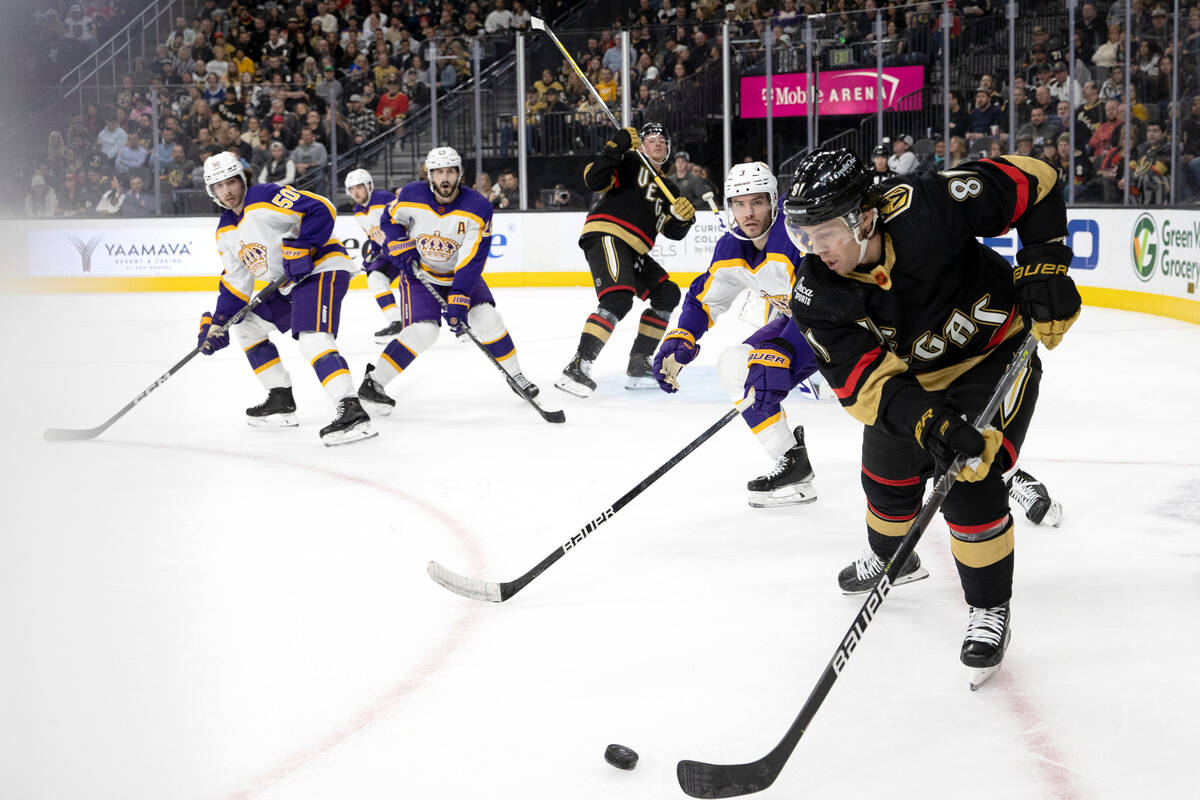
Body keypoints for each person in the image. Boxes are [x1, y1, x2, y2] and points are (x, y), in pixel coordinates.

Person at [780, 148, 1079, 686]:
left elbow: (1036, 181)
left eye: (824, 232)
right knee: (885, 483)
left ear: (864, 215)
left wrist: (1045, 264)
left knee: (968, 479)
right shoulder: (817, 290)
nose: (813, 248)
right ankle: (895, 559)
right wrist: (932, 423)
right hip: (913, 382)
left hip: (993, 355)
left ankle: (989, 606)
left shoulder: (929, 205)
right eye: (803, 234)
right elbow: (866, 386)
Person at [651, 162, 824, 507]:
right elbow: (703, 299)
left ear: (775, 201)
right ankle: (792, 463)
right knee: (734, 365)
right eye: (740, 203)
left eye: (758, 202)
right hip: (802, 323)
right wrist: (681, 338)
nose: (748, 212)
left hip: (845, 326)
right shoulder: (731, 248)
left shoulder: (797, 236)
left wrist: (780, 349)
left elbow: (823, 305)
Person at [196, 151, 375, 445]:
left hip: (322, 268)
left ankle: (352, 411)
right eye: (218, 186)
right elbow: (236, 282)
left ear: (242, 179)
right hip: (287, 285)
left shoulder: (264, 196)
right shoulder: (226, 230)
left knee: (312, 337)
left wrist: (303, 247)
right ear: (211, 191)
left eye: (231, 182)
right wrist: (218, 323)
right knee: (247, 326)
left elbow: (322, 208)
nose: (226, 191)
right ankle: (280, 399)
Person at [356, 147, 540, 414]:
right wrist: (398, 243)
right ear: (430, 175)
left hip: (458, 273)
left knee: (486, 318)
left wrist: (459, 298)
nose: (445, 178)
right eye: (439, 172)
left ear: (459, 174)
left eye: (450, 172)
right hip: (420, 274)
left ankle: (516, 375)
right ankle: (374, 382)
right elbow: (388, 219)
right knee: (424, 331)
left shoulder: (478, 207)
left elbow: (472, 257)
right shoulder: (410, 195)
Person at [554, 122, 695, 396]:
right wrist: (615, 147)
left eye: (663, 140)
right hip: (609, 232)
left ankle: (639, 363)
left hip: (635, 249)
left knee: (667, 293)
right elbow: (594, 179)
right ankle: (578, 365)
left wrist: (685, 219)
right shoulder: (628, 160)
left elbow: (673, 232)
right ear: (641, 145)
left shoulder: (669, 188)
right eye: (652, 139)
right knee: (618, 298)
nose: (659, 143)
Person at [346, 168, 406, 341]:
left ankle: (460, 315)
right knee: (375, 278)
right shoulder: (358, 211)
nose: (355, 192)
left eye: (359, 187)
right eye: (351, 189)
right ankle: (396, 321)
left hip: (404, 248)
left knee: (425, 283)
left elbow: (405, 222)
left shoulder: (384, 199)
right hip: (388, 253)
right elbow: (373, 238)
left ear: (369, 186)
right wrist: (371, 256)